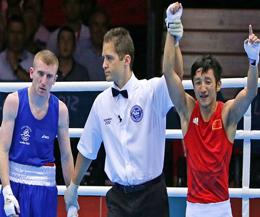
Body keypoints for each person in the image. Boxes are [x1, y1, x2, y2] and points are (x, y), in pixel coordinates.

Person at [64, 26, 184, 217]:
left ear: (126, 60)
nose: (103, 64)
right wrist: (74, 185)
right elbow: (87, 149)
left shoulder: (151, 91)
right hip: (118, 198)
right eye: (103, 58)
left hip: (151, 196)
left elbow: (175, 77)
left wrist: (173, 39)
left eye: (109, 58)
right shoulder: (101, 102)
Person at [163, 2, 260, 217]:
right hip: (194, 207)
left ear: (218, 85)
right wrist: (171, 28)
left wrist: (253, 61)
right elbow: (168, 73)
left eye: (208, 81)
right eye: (197, 82)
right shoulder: (187, 111)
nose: (202, 88)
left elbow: (251, 91)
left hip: (221, 207)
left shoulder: (227, 114)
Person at [0, 50, 75, 217]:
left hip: (45, 188)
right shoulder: (14, 102)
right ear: (31, 73)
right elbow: (2, 149)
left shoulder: (60, 110)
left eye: (49, 76)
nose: (43, 81)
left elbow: (66, 155)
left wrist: (72, 199)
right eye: (40, 74)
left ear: (55, 80)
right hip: (14, 184)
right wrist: (6, 190)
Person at [0, 15, 34, 81]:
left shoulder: (34, 61)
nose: (15, 38)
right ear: (6, 34)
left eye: (19, 33)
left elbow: (36, 87)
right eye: (12, 32)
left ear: (24, 34)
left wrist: (15, 66)